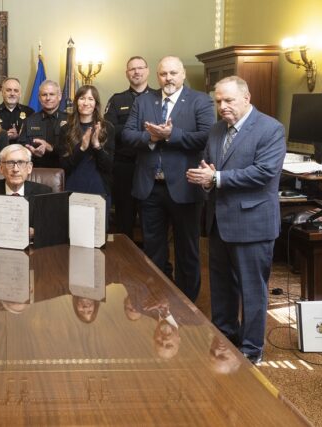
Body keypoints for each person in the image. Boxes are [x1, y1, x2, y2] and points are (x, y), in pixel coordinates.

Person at [186, 76, 285, 364]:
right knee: (221, 288)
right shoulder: (217, 130)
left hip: (252, 225)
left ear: (246, 98)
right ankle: (225, 338)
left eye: (228, 100)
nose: (222, 106)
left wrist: (215, 178)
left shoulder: (270, 128)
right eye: (218, 101)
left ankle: (252, 351)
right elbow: (210, 166)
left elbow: (264, 173)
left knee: (253, 292)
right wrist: (205, 179)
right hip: (219, 223)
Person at [123, 56, 215, 302]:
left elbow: (207, 137)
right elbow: (127, 135)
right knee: (153, 250)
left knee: (188, 250)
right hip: (150, 188)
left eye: (174, 73)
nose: (169, 78)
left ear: (183, 74)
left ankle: (186, 303)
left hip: (185, 187)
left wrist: (172, 135)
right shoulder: (144, 101)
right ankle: (159, 298)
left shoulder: (200, 100)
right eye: (164, 74)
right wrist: (151, 138)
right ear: (157, 76)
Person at [104, 57, 158, 240]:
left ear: (147, 71)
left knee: (151, 218)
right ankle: (124, 261)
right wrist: (144, 131)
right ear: (127, 73)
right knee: (123, 218)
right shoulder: (117, 100)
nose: (136, 72)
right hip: (124, 166)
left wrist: (129, 130)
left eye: (140, 68)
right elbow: (110, 129)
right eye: (132, 69)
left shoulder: (158, 98)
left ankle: (151, 263)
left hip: (151, 165)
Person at [57, 85, 115, 207]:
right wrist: (82, 148)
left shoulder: (107, 128)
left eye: (90, 99)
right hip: (72, 188)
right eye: (82, 98)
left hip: (99, 189)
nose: (86, 103)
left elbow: (108, 166)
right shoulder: (65, 129)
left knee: (97, 226)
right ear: (76, 101)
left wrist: (96, 146)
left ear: (96, 104)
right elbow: (64, 166)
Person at [0, 144, 52, 226]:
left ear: (29, 168)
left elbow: (49, 227)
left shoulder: (44, 193)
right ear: (1, 168)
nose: (15, 169)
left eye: (21, 162)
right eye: (10, 163)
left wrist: (35, 232)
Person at [18, 79, 67, 168]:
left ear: (59, 96)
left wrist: (51, 148)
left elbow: (73, 150)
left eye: (52, 94)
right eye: (44, 95)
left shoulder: (69, 120)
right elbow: (21, 146)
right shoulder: (30, 120)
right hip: (37, 171)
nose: (48, 98)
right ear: (39, 98)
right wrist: (31, 152)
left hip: (64, 171)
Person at [0, 77, 34, 145]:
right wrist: (3, 137)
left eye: (16, 90)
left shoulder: (29, 112)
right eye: (8, 90)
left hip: (22, 153)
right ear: (2, 92)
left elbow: (33, 138)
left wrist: (19, 136)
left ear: (20, 94)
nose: (12, 94)